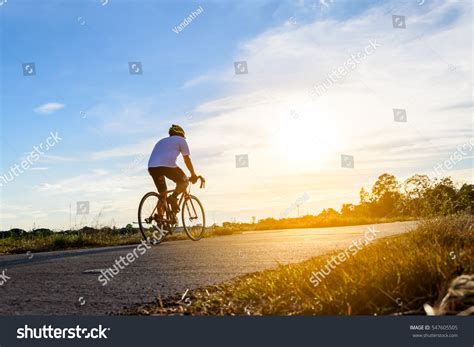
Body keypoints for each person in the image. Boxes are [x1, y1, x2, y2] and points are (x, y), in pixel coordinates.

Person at [147, 125, 198, 213]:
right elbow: (187, 160)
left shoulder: (161, 141)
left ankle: (160, 221)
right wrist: (193, 174)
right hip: (167, 166)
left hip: (152, 167)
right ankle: (173, 198)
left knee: (163, 195)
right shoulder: (181, 140)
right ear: (181, 134)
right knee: (184, 181)